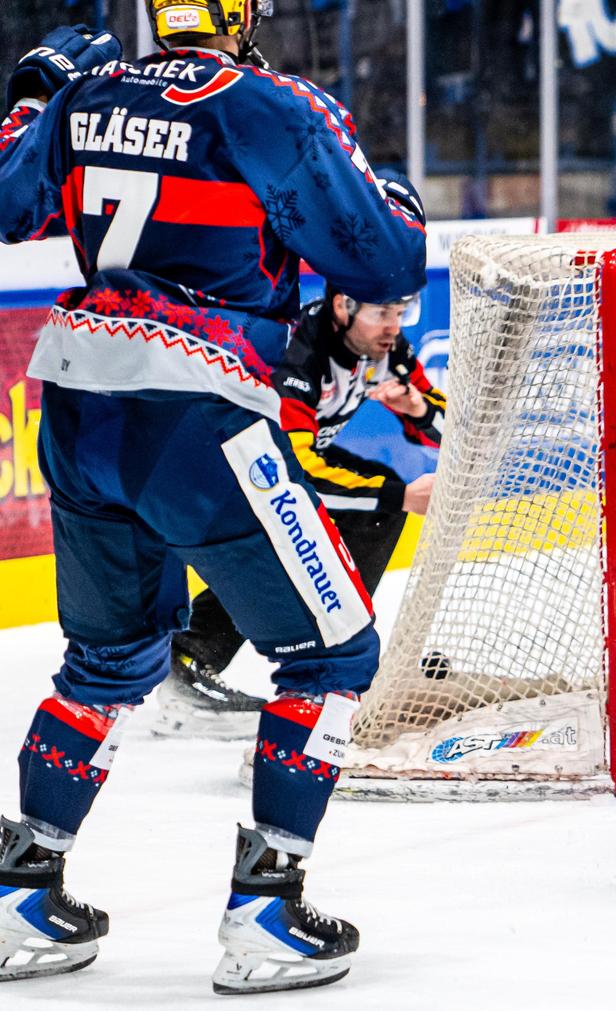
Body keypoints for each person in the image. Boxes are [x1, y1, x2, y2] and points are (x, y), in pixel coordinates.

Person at [0, 0, 425, 990]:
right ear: (243, 6)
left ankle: (19, 893)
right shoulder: (267, 105)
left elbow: (6, 199)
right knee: (334, 653)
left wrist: (34, 92)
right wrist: (336, 155)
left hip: (79, 402)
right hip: (195, 412)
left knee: (106, 661)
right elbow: (386, 253)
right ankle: (267, 911)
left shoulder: (84, 97)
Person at [157, 283, 444, 736]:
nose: (394, 326)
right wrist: (401, 496)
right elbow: (291, 468)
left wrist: (418, 408)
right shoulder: (299, 353)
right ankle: (188, 664)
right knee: (271, 545)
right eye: (383, 313)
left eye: (400, 313)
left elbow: (451, 429)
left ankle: (343, 645)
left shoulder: (384, 345)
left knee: (374, 510)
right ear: (341, 307)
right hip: (222, 465)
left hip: (266, 461)